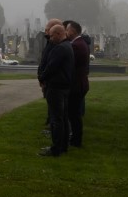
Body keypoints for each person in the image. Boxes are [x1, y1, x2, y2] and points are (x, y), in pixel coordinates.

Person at [37, 23, 73, 156]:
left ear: (58, 34)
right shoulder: (68, 45)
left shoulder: (60, 48)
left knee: (56, 119)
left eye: (52, 36)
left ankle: (56, 148)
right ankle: (63, 146)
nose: (50, 39)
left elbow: (51, 67)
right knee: (63, 117)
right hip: (65, 86)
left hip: (56, 87)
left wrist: (41, 78)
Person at [64, 20, 90, 148]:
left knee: (74, 114)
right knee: (74, 113)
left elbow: (69, 63)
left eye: (67, 30)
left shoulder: (77, 45)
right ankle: (75, 137)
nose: (65, 32)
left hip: (76, 85)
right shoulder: (79, 43)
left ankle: (76, 140)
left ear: (73, 31)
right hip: (79, 83)